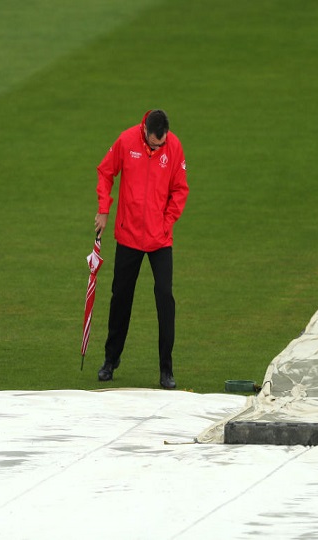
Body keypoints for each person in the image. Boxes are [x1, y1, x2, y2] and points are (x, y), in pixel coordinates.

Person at [94, 109, 189, 389]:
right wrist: (103, 209)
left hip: (159, 239)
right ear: (144, 131)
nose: (160, 147)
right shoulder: (126, 141)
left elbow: (180, 190)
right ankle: (110, 360)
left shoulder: (174, 147)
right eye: (154, 143)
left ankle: (166, 369)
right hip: (129, 235)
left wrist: (166, 223)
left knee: (165, 297)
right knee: (120, 297)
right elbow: (105, 172)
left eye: (163, 143)